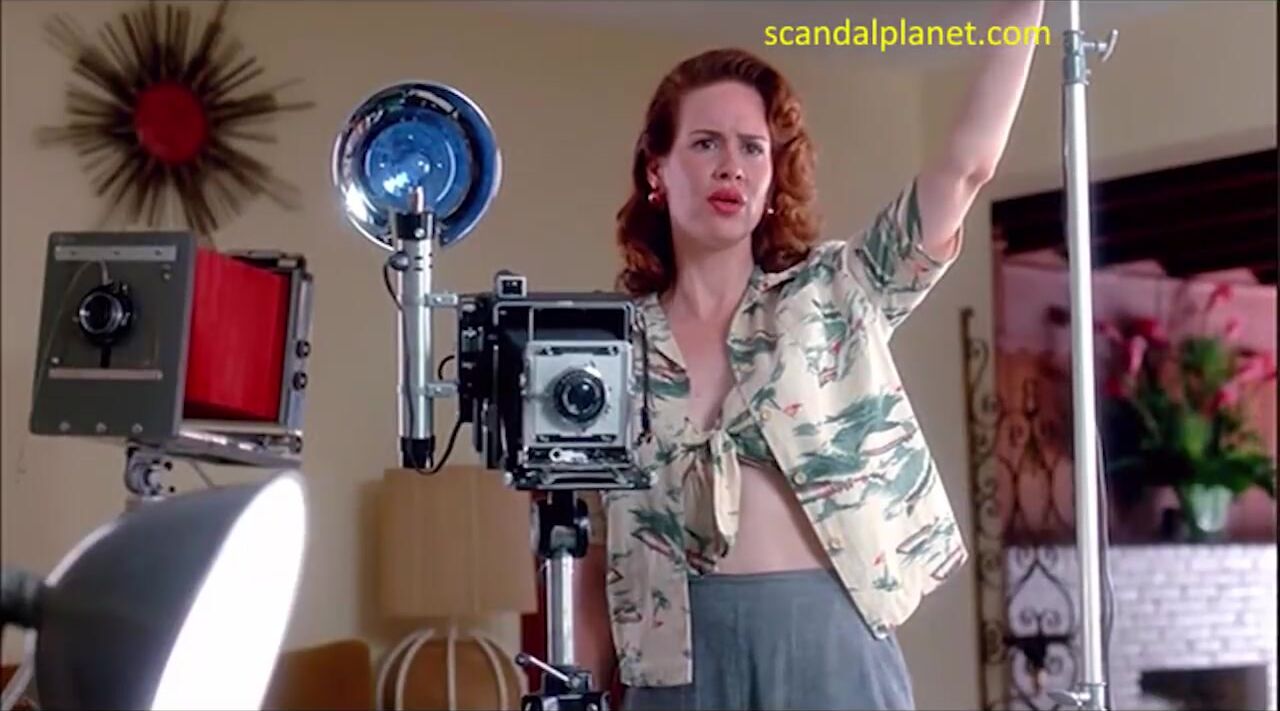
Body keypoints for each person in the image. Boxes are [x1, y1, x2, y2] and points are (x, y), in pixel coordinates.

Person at [577, 3, 1044, 709]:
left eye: (752, 148)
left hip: (832, 645)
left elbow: (964, 169)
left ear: (772, 176)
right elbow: (592, 551)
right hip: (675, 666)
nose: (730, 166)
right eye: (704, 143)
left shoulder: (835, 289)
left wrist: (1024, 8)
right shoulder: (608, 347)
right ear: (657, 169)